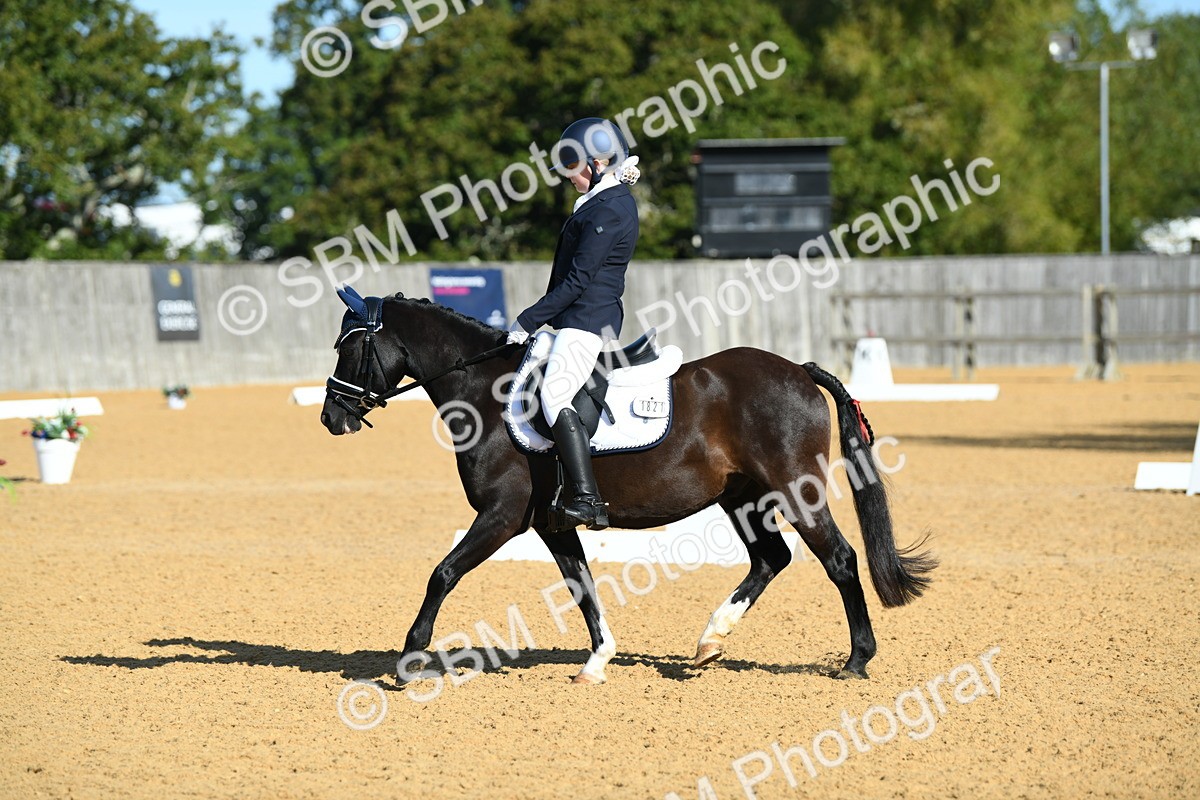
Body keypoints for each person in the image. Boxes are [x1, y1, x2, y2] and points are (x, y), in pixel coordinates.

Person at [506, 117, 641, 530]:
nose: (569, 178)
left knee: (554, 394)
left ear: (598, 163)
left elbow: (579, 279)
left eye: (575, 169)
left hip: (588, 321)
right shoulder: (600, 201)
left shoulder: (611, 208)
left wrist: (529, 320)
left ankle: (587, 497)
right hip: (576, 319)